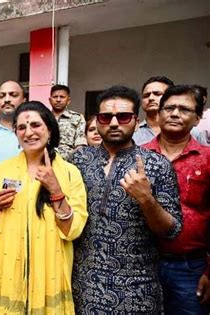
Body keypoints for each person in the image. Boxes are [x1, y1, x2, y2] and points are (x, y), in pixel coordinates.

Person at [71, 85, 182, 314]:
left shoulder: (156, 165)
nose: (113, 123)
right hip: (84, 285)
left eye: (122, 117)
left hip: (137, 289)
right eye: (105, 117)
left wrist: (146, 199)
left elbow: (171, 231)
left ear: (136, 120)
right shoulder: (77, 161)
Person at [0, 101, 88, 314]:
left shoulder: (69, 172)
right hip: (8, 270)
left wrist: (55, 190)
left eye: (36, 125)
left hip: (49, 270)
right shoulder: (3, 170)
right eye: (22, 127)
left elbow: (73, 230)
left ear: (49, 130)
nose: (28, 132)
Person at [143, 85, 210, 314]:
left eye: (184, 109)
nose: (174, 113)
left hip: (190, 267)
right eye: (169, 108)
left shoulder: (207, 159)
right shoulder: (138, 156)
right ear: (159, 114)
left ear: (198, 118)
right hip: (142, 265)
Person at [133, 76, 205, 145]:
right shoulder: (132, 133)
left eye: (157, 94)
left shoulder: (195, 133)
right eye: (146, 95)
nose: (150, 98)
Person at [49, 84, 87, 159]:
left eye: (62, 97)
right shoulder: (43, 117)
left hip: (68, 163)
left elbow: (80, 145)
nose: (58, 100)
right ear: (50, 100)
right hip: (45, 161)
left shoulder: (77, 118)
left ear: (68, 100)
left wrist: (69, 162)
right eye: (55, 97)